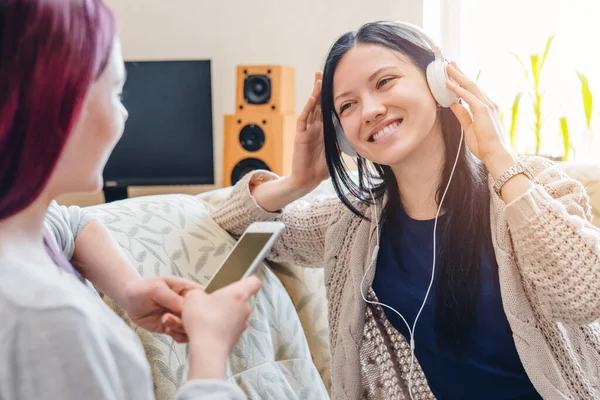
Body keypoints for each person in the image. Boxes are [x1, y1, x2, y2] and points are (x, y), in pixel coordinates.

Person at [212, 21, 600, 399]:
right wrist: (297, 181)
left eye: (384, 82)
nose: (370, 110)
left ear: (439, 83)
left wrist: (499, 159)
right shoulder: (353, 223)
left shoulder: (531, 185)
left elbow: (585, 295)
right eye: (347, 105)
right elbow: (235, 220)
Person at [0, 1, 260, 399]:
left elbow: (68, 224)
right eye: (117, 92)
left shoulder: (20, 224)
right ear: (58, 103)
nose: (123, 116)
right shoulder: (45, 321)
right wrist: (210, 348)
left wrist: (131, 289)